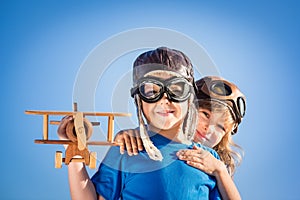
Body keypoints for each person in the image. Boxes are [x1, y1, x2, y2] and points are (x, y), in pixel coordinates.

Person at [58, 47, 221, 199]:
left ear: (190, 97)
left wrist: (220, 171)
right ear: (139, 99)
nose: (164, 100)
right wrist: (75, 153)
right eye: (151, 92)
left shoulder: (207, 159)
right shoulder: (127, 150)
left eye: (176, 90)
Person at [114, 76, 246, 200]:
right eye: (206, 114)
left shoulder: (214, 165)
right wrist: (128, 136)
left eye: (220, 127)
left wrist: (220, 171)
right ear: (187, 107)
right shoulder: (150, 141)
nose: (209, 128)